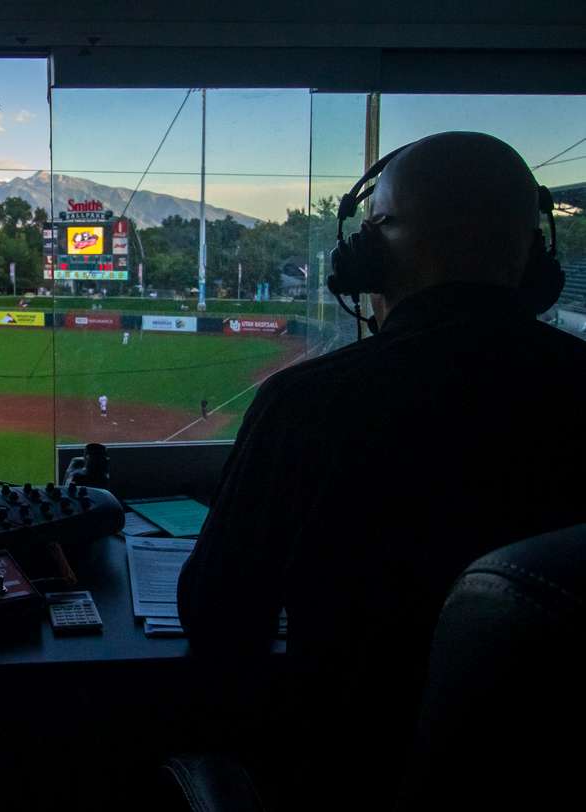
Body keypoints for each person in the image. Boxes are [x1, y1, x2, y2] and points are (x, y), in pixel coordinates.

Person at [176, 132, 586, 810]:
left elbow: (217, 617)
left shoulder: (308, 404)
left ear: (369, 255)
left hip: (346, 785)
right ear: (535, 256)